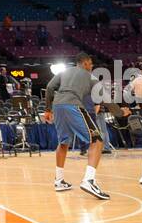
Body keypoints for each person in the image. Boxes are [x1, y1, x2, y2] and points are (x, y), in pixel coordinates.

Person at [42, 54, 109, 200]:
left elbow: (49, 87)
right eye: (90, 64)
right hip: (73, 105)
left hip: (57, 105)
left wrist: (48, 109)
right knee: (97, 141)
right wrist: (120, 111)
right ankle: (89, 181)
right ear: (84, 63)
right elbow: (103, 98)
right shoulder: (90, 76)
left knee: (64, 142)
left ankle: (59, 181)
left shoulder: (64, 72)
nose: (92, 67)